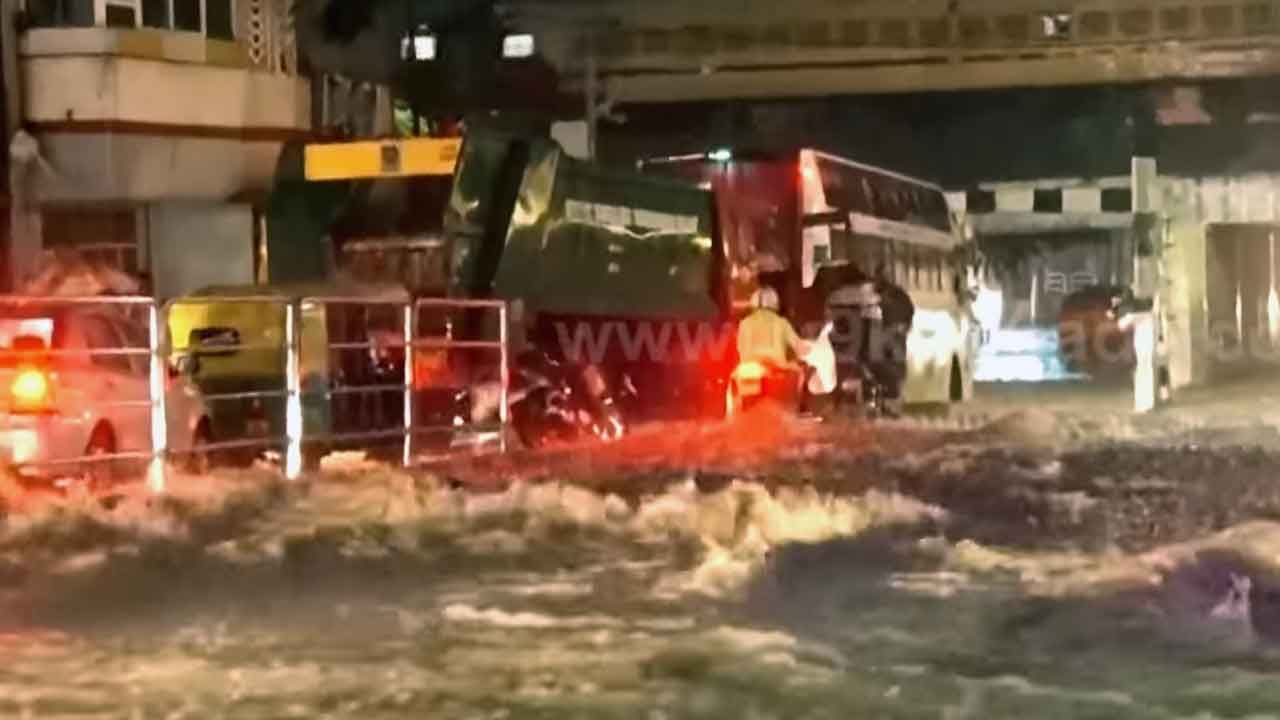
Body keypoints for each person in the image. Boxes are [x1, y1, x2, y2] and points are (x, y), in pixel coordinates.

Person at [736, 287, 809, 405]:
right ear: (775, 303)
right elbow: (799, 347)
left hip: (748, 367)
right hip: (777, 366)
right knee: (801, 372)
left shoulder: (744, 323)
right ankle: (802, 408)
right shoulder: (781, 322)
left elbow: (739, 348)